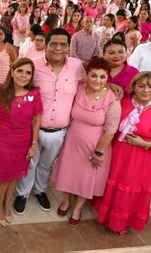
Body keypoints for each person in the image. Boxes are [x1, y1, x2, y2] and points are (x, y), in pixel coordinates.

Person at [14, 28, 86, 215]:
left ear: (68, 47)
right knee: (29, 162)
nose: (58, 48)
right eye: (54, 43)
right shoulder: (34, 65)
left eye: (63, 44)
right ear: (45, 45)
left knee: (46, 164)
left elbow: (88, 86)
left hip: (60, 130)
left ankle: (40, 190)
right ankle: (22, 193)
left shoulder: (77, 66)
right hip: (33, 129)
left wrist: (110, 87)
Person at [51, 57, 121, 226]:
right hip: (73, 140)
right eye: (94, 75)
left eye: (103, 77)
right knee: (68, 173)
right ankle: (66, 201)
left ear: (107, 78)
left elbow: (111, 130)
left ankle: (78, 208)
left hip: (95, 145)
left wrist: (99, 151)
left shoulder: (112, 99)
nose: (98, 80)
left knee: (86, 178)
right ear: (87, 75)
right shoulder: (80, 88)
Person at [95, 72, 151, 235]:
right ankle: (107, 216)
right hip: (118, 154)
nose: (146, 90)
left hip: (142, 159)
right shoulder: (122, 103)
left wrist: (145, 143)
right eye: (141, 86)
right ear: (133, 87)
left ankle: (122, 222)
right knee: (112, 182)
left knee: (130, 187)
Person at [0, 57, 42, 227]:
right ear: (12, 72)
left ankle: (7, 204)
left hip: (23, 141)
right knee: (2, 177)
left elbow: (36, 121)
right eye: (20, 71)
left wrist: (34, 144)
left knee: (14, 176)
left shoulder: (34, 94)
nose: (24, 76)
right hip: (1, 141)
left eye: (28, 73)